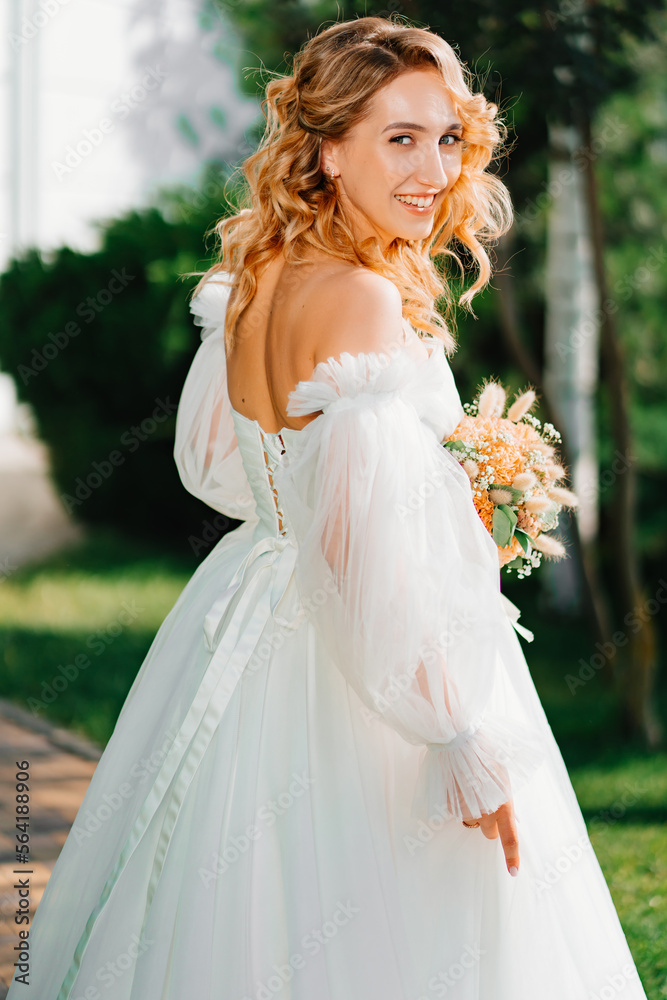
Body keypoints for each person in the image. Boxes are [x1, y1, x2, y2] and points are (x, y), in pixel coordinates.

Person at [8, 15, 649, 1000]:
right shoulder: (363, 297)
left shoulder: (253, 279)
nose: (433, 170)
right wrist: (454, 733)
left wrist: (427, 494)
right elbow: (357, 559)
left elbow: (215, 467)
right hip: (364, 659)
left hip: (251, 603)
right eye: (400, 139)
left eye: (446, 138)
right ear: (328, 150)